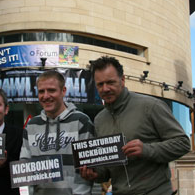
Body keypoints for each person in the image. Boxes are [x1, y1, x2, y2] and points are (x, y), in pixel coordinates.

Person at [80, 56, 190, 195]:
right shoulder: (99, 120)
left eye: (110, 82)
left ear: (123, 80)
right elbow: (107, 170)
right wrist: (95, 175)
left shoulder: (151, 106)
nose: (105, 88)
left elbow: (183, 143)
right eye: (100, 84)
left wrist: (146, 149)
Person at [20, 70, 96, 195]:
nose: (45, 96)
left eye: (51, 90)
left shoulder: (81, 121)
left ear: (63, 91)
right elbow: (24, 168)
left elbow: (85, 171)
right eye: (41, 91)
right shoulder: (31, 125)